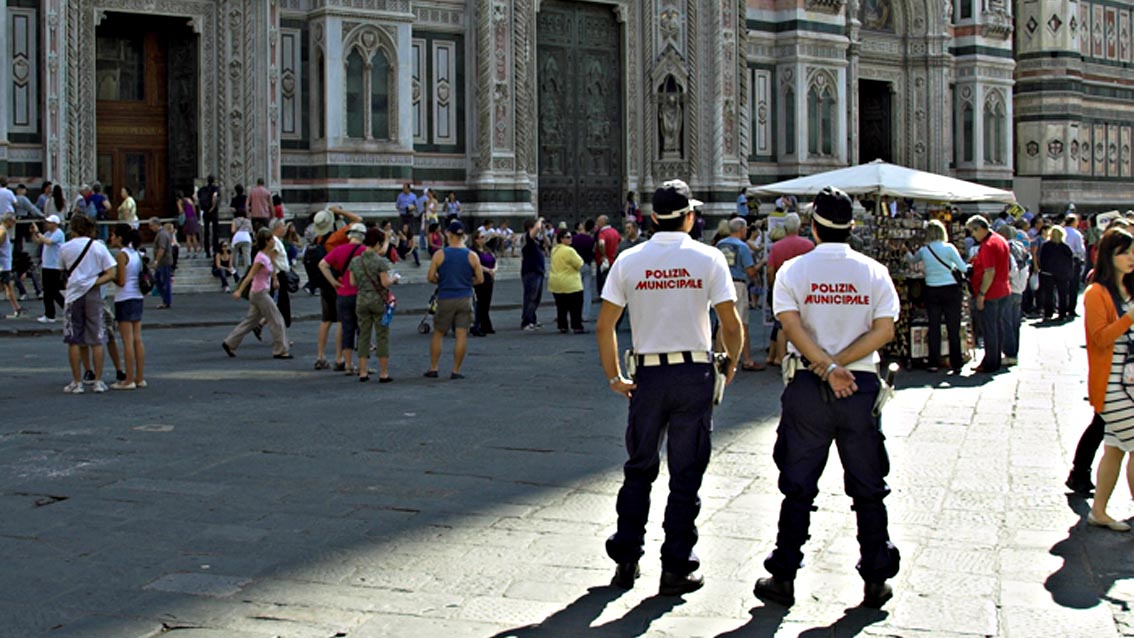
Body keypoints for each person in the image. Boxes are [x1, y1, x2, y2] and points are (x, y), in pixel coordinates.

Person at [753, 186, 900, 609]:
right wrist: (840, 365)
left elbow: (791, 327)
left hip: (807, 387)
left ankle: (783, 575)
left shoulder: (794, 272)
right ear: (852, 227)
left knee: (798, 486)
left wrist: (824, 366)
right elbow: (883, 331)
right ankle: (875, 579)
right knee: (868, 487)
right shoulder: (873, 271)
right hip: (859, 388)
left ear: (813, 226)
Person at [596, 179, 743, 596]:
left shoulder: (629, 260)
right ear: (691, 218)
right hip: (693, 375)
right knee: (685, 475)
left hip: (648, 377)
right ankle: (676, 566)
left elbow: (606, 326)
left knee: (639, 468)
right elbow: (730, 325)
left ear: (653, 218)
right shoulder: (709, 258)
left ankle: (627, 557)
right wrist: (728, 365)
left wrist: (614, 377)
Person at [1082, 228, 1134, 531]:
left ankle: (1098, 510)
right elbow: (1099, 339)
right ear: (1108, 257)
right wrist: (1128, 318)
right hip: (1111, 385)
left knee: (1114, 447)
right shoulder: (1096, 294)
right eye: (1123, 253)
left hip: (1130, 381)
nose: (1130, 258)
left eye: (1132, 252)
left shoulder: (1129, 288)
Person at [59, 214, 118, 393]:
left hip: (74, 293)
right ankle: (98, 381)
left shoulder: (65, 248)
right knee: (97, 338)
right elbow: (111, 272)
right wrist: (93, 282)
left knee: (74, 339)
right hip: (93, 293)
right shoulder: (98, 247)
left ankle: (77, 381)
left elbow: (61, 270)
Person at [905, 219, 967, 372]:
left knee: (934, 326)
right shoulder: (949, 248)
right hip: (950, 288)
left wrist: (905, 251)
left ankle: (933, 361)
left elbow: (913, 261)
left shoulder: (925, 250)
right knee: (953, 327)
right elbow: (963, 267)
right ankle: (956, 362)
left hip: (932, 289)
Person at [424, 221, 483, 378]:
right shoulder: (472, 255)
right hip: (465, 297)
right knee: (461, 334)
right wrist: (466, 282)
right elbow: (480, 279)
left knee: (438, 333)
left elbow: (430, 277)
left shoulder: (440, 254)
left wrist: (442, 281)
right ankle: (456, 370)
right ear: (463, 235)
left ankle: (434, 368)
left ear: (448, 234)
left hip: (445, 297)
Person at [222, 229, 291, 359]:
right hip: (260, 293)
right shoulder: (260, 258)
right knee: (276, 319)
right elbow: (250, 276)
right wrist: (239, 290)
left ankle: (229, 342)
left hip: (260, 291)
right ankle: (280, 350)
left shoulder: (268, 255)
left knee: (251, 321)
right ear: (265, 242)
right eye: (270, 239)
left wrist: (275, 279)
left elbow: (273, 267)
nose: (273, 241)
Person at [765, 213, 814, 366]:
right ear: (799, 227)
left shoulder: (777, 246)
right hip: (804, 289)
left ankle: (781, 357)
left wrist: (773, 286)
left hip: (783, 288)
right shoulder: (808, 245)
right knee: (805, 322)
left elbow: (770, 270)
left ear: (785, 228)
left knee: (781, 325)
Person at [716, 217, 764, 371]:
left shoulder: (720, 244)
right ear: (742, 230)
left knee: (721, 322)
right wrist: (762, 263)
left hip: (720, 283)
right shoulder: (742, 247)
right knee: (742, 323)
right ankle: (746, 359)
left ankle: (718, 356)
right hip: (737, 284)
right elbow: (750, 271)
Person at [320, 223, 368, 375]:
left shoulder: (339, 250)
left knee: (347, 329)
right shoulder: (364, 251)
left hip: (343, 293)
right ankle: (362, 366)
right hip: (360, 293)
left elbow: (322, 264)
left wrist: (333, 281)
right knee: (363, 331)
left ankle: (347, 363)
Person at [967, 215, 1012, 373]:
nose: (972, 235)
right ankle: (994, 359)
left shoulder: (988, 245)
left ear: (979, 228)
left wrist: (981, 294)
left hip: (992, 292)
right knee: (997, 326)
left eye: (973, 231)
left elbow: (989, 272)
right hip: (1003, 289)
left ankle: (991, 362)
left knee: (990, 329)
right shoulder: (1000, 239)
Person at [351, 228, 396, 383]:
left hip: (361, 299)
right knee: (382, 335)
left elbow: (352, 282)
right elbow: (384, 282)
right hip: (378, 300)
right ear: (377, 243)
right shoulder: (380, 262)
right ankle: (383, 373)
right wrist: (394, 279)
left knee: (363, 335)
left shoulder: (356, 261)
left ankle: (362, 372)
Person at [108, 224, 146, 390]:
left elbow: (121, 281)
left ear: (120, 238)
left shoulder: (121, 255)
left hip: (124, 297)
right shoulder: (136, 253)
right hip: (137, 296)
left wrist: (110, 277)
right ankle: (139, 377)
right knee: (137, 339)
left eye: (114, 235)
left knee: (127, 341)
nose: (112, 238)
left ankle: (128, 379)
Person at [998, 224, 1030, 366]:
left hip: (1010, 288)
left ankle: (1010, 353)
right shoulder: (1020, 247)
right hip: (1020, 288)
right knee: (1015, 323)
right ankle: (1014, 351)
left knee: (1007, 322)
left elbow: (1010, 269)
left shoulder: (1007, 248)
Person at [30, 215, 66, 323]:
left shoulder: (58, 233)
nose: (47, 224)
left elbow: (48, 242)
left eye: (49, 222)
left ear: (55, 224)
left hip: (54, 266)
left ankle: (67, 310)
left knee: (54, 291)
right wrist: (33, 233)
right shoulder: (48, 233)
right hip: (46, 265)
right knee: (47, 291)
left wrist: (38, 232)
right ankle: (49, 315)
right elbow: (38, 241)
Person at [549, 228, 585, 334]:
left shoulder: (554, 250)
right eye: (568, 237)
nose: (571, 239)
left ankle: (562, 325)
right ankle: (577, 326)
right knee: (576, 306)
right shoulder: (569, 250)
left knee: (561, 307)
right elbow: (579, 263)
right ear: (561, 239)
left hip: (556, 282)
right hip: (570, 282)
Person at [1039, 225, 1075, 321]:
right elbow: (1070, 261)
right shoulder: (1065, 247)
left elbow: (1042, 259)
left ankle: (1048, 313)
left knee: (1048, 294)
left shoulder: (1046, 246)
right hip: (1062, 273)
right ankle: (1062, 314)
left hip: (1048, 273)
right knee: (1062, 294)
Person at [521, 218, 546, 331]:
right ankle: (526, 321)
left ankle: (532, 319)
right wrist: (540, 220)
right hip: (531, 271)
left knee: (536, 297)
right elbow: (536, 228)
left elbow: (547, 244)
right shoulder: (526, 238)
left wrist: (544, 232)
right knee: (530, 296)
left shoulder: (535, 240)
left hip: (538, 271)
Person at [470, 230, 497, 337]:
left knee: (486, 302)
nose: (483, 239)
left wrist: (494, 270)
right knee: (479, 302)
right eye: (481, 237)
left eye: (483, 237)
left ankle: (486, 324)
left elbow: (495, 260)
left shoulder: (487, 250)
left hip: (489, 278)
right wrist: (487, 270)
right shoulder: (472, 251)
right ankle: (479, 324)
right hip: (479, 278)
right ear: (475, 239)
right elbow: (475, 264)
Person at [269, 219, 293, 328]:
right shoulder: (274, 241)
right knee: (281, 305)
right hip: (278, 275)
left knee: (280, 305)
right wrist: (275, 278)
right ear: (277, 228)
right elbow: (272, 260)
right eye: (283, 226)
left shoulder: (278, 240)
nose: (285, 228)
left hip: (281, 274)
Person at [572, 220, 597, 322]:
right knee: (587, 291)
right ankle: (585, 315)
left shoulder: (574, 239)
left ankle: (575, 314)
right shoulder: (590, 240)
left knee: (575, 290)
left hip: (576, 266)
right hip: (587, 264)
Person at [0, 213, 24, 317]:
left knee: (8, 287)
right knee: (8, 286)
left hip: (5, 264)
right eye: (13, 221)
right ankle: (17, 308)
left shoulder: (4, 231)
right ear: (8, 221)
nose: (14, 223)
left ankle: (17, 308)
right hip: (3, 265)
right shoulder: (2, 232)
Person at [148, 217, 175, 309]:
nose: (150, 228)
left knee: (164, 281)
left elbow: (162, 248)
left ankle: (166, 301)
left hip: (164, 262)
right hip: (163, 262)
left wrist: (156, 260)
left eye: (151, 226)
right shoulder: (162, 234)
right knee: (158, 281)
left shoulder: (162, 234)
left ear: (156, 225)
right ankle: (165, 299)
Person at [594, 215, 621, 296]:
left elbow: (601, 243)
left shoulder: (602, 233)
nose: (597, 223)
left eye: (598, 221)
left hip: (603, 261)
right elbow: (619, 242)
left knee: (603, 280)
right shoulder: (615, 231)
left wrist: (603, 254)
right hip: (613, 259)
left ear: (603, 222)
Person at [197, 175, 221, 257]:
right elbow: (215, 196)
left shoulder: (202, 189)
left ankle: (207, 250)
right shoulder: (216, 188)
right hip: (213, 212)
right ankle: (215, 249)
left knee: (206, 231)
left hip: (205, 211)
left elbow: (198, 198)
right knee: (215, 231)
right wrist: (213, 207)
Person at [177, 190, 201, 258]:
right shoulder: (189, 199)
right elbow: (194, 209)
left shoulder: (179, 201)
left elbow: (181, 211)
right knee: (194, 236)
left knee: (188, 237)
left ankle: (188, 252)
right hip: (193, 217)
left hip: (187, 219)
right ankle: (196, 252)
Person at [230, 213, 253, 278]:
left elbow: (233, 230)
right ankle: (247, 273)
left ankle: (235, 272)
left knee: (235, 255)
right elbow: (251, 231)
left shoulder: (235, 220)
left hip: (237, 238)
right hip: (246, 237)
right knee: (247, 257)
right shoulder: (248, 220)